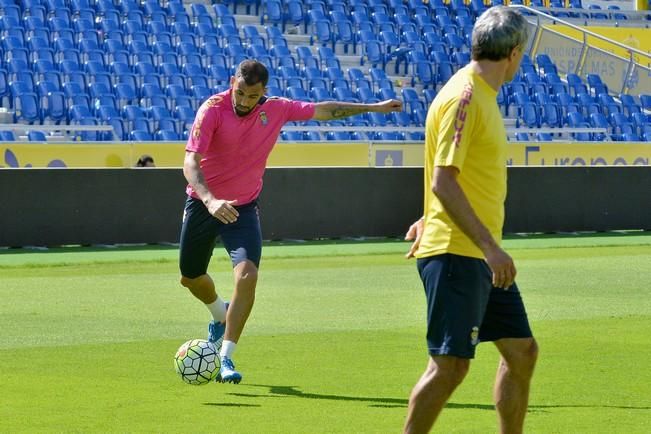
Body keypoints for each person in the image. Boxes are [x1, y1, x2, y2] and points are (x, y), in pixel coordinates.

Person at [179, 59, 402, 384]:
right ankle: (219, 315)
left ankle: (224, 357)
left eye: (251, 96)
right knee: (190, 278)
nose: (243, 101)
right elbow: (190, 160)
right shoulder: (212, 109)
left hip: (242, 208)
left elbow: (325, 110)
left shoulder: (278, 109)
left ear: (263, 93)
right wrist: (211, 201)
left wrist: (374, 107)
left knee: (247, 275)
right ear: (232, 82)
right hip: (204, 204)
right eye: (239, 92)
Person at [402, 7, 539, 434]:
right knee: (450, 366)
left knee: (521, 351)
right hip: (460, 252)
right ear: (515, 53)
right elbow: (444, 179)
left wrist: (428, 215)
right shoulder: (465, 96)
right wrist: (489, 247)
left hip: (474, 253)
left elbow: (449, 175)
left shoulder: (480, 93)